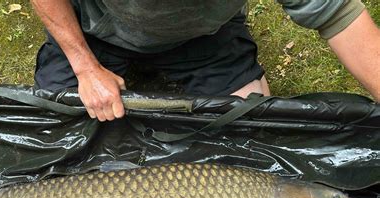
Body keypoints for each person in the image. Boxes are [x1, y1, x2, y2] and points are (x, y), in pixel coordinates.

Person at [31, 1, 380, 122]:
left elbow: (343, 20)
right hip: (97, 34)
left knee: (249, 122)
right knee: (55, 124)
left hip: (204, 37)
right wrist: (86, 68)